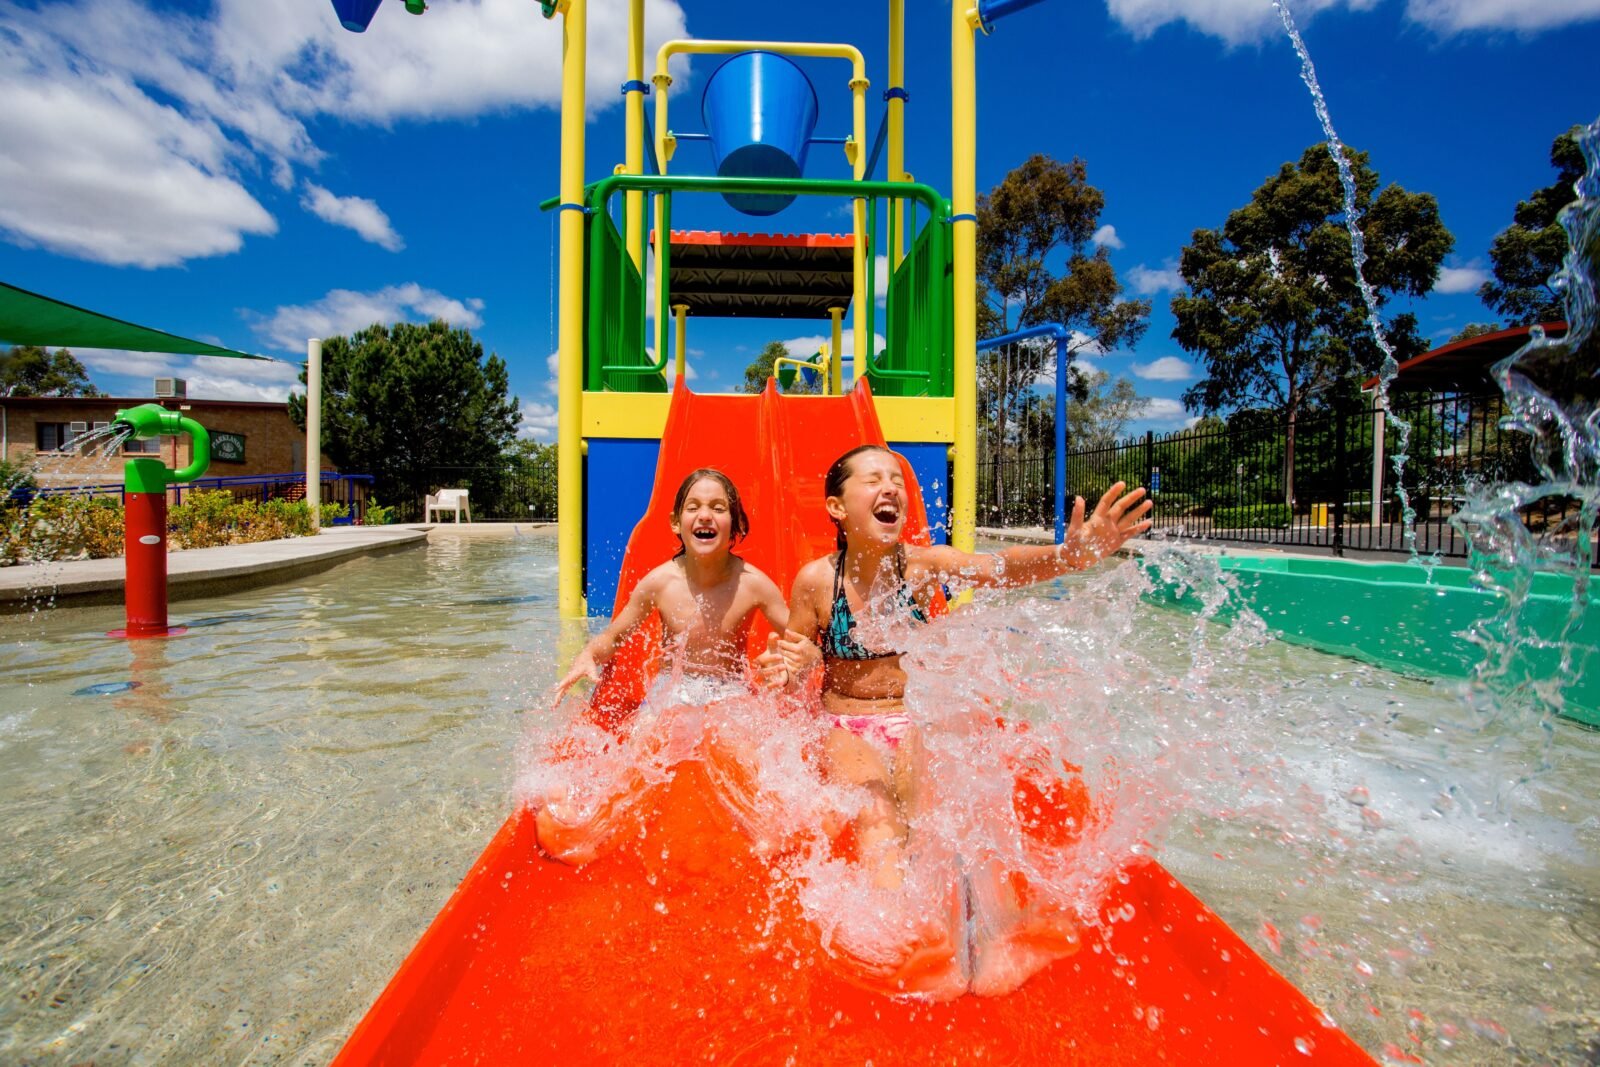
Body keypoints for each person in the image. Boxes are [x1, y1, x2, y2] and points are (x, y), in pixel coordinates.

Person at [551, 467, 789, 708]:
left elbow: (801, 642)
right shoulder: (660, 583)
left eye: (718, 508)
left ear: (736, 523)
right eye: (693, 507)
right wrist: (588, 654)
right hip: (672, 691)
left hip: (729, 691)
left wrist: (787, 664)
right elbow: (614, 637)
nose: (705, 515)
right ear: (675, 523)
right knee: (650, 739)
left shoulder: (753, 584)